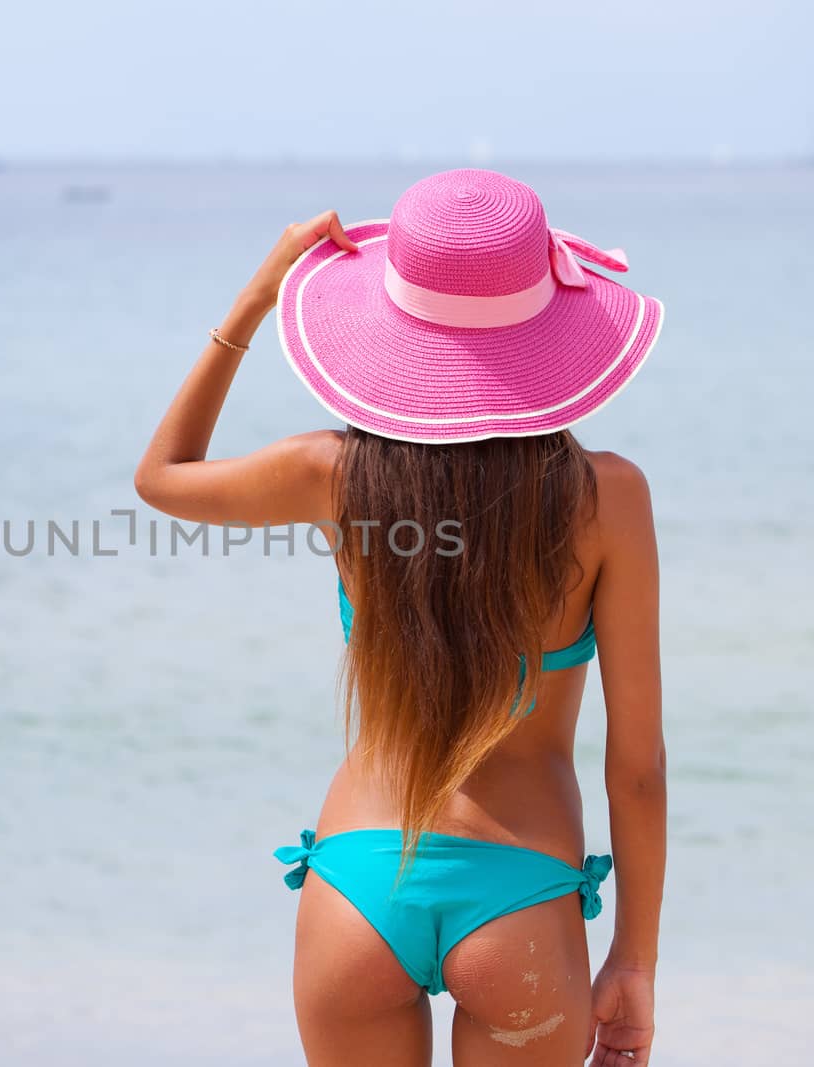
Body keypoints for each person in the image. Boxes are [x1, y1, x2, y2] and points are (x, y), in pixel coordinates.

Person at [134, 169, 666, 1067]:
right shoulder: (606, 498)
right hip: (520, 894)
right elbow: (638, 766)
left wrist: (255, 302)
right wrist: (636, 960)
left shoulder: (337, 475)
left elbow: (163, 475)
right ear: (550, 335)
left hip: (358, 886)